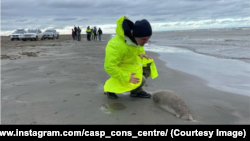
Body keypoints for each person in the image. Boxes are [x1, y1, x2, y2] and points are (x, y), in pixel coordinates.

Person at [103, 16, 158, 99]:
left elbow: (138, 46)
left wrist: (141, 53)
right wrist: (127, 76)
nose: (146, 42)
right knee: (140, 79)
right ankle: (110, 89)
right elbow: (110, 67)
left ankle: (136, 91)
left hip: (131, 62)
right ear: (133, 34)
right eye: (144, 39)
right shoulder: (114, 45)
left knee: (148, 63)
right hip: (120, 66)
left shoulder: (136, 38)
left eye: (148, 39)